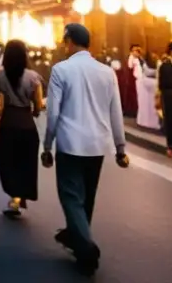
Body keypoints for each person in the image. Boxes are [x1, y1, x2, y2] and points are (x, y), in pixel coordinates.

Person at [41, 24, 128, 276]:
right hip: (98, 144)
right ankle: (77, 241)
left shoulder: (61, 70)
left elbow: (53, 114)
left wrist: (47, 145)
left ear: (69, 41)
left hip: (69, 143)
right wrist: (120, 147)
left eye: (63, 41)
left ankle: (86, 248)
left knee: (71, 196)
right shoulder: (106, 72)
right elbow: (116, 112)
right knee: (87, 197)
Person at [0, 39, 44, 219]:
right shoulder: (34, 77)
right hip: (27, 124)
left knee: (8, 162)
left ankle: (14, 197)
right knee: (25, 163)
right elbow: (38, 105)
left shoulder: (0, 75)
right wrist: (35, 111)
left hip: (7, 124)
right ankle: (19, 195)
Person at [128, 44, 159, 130]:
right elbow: (130, 67)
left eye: (138, 51)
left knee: (148, 101)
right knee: (142, 101)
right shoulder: (132, 59)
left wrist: (156, 71)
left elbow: (147, 71)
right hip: (139, 82)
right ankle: (142, 120)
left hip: (145, 80)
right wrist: (132, 56)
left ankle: (149, 121)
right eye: (135, 50)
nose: (137, 52)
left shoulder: (142, 60)